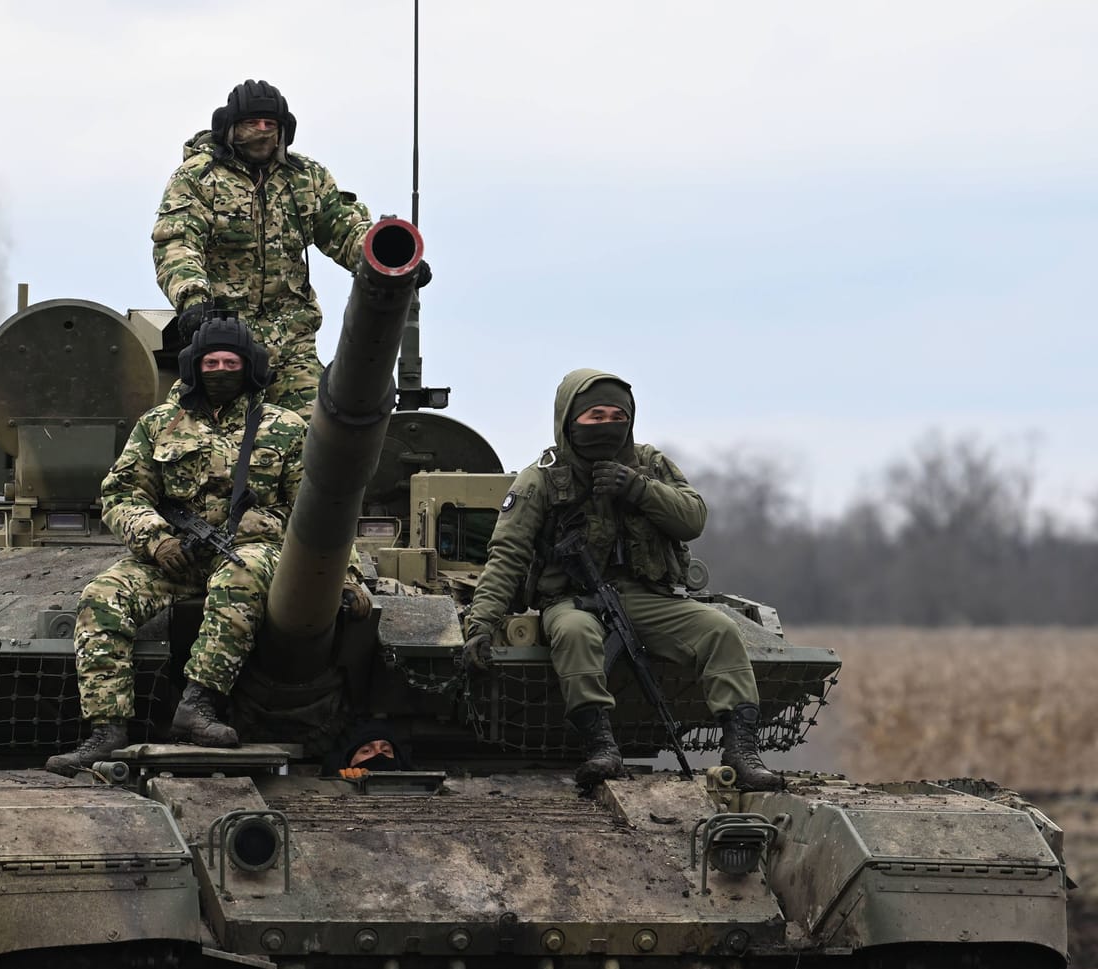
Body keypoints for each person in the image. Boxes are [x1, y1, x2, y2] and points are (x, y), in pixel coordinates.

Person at [460, 369, 782, 791]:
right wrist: (481, 623)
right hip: (572, 600)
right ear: (569, 419)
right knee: (574, 634)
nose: (607, 424)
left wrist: (637, 488)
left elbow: (692, 519)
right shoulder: (540, 479)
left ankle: (741, 751)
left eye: (617, 415)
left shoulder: (650, 465)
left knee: (719, 630)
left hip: (649, 596)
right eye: (595, 416)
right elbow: (507, 556)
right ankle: (601, 747)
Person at [47, 317, 306, 776]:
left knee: (239, 577)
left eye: (231, 362)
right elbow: (122, 492)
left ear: (250, 367)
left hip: (250, 552)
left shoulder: (283, 427)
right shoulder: (159, 424)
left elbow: (317, 510)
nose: (221, 369)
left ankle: (197, 706)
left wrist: (343, 575)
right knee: (102, 597)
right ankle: (107, 731)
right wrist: (154, 538)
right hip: (174, 554)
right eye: (212, 362)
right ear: (194, 366)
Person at [152, 80, 426, 414]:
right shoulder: (199, 177)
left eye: (271, 125)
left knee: (322, 431)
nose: (262, 132)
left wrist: (390, 260)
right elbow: (177, 241)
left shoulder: (305, 179)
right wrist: (193, 299)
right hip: (222, 341)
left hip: (292, 342)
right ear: (230, 127)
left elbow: (343, 229)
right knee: (190, 432)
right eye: (252, 124)